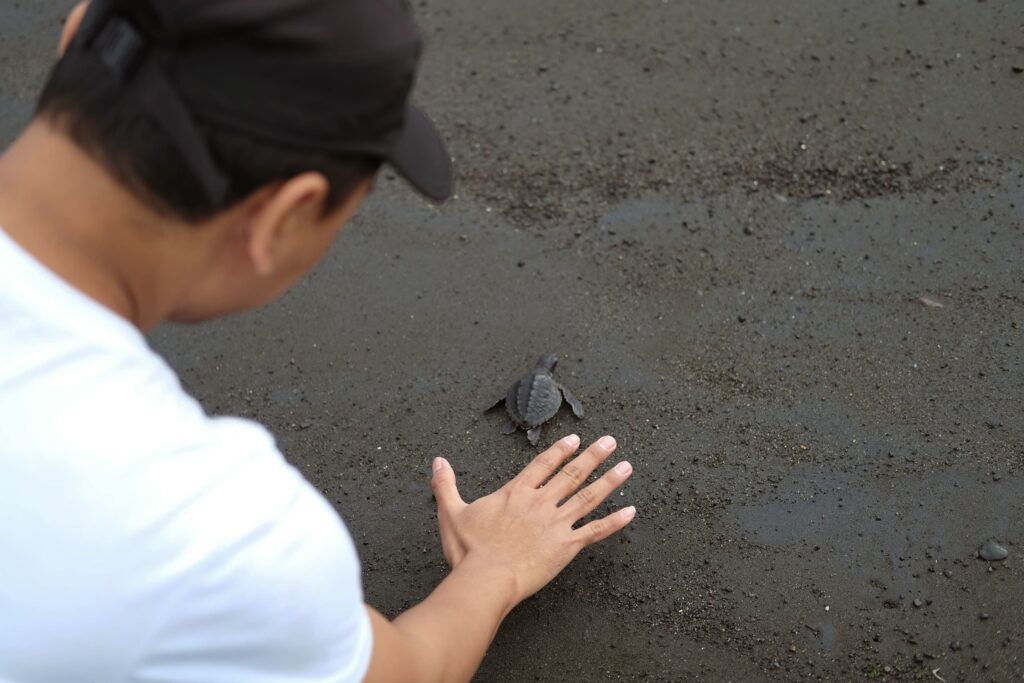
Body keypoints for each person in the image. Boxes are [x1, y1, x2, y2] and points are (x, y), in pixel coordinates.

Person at [0, 1, 637, 681]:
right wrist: (496, 568)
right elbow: (407, 671)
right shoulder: (211, 527)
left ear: (77, 32)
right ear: (284, 217)